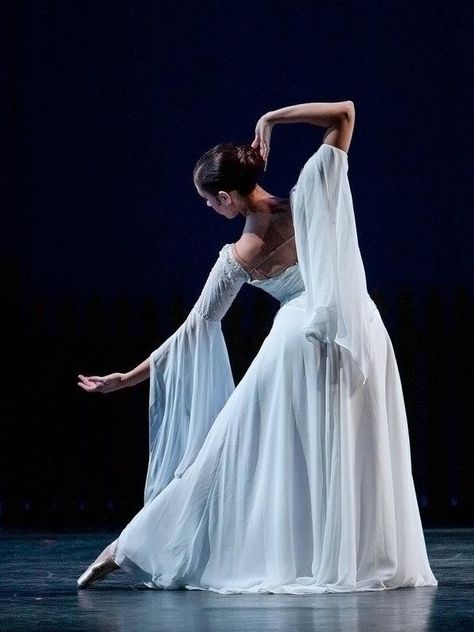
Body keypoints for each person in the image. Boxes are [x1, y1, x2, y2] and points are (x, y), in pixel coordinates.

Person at [76, 101, 438, 593]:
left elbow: (193, 330)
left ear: (227, 197)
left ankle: (131, 546)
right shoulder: (312, 192)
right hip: (358, 329)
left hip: (299, 344)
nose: (210, 210)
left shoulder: (241, 253)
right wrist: (271, 119)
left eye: (210, 202)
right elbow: (344, 114)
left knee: (222, 453)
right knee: (349, 445)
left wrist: (126, 378)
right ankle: (350, 555)